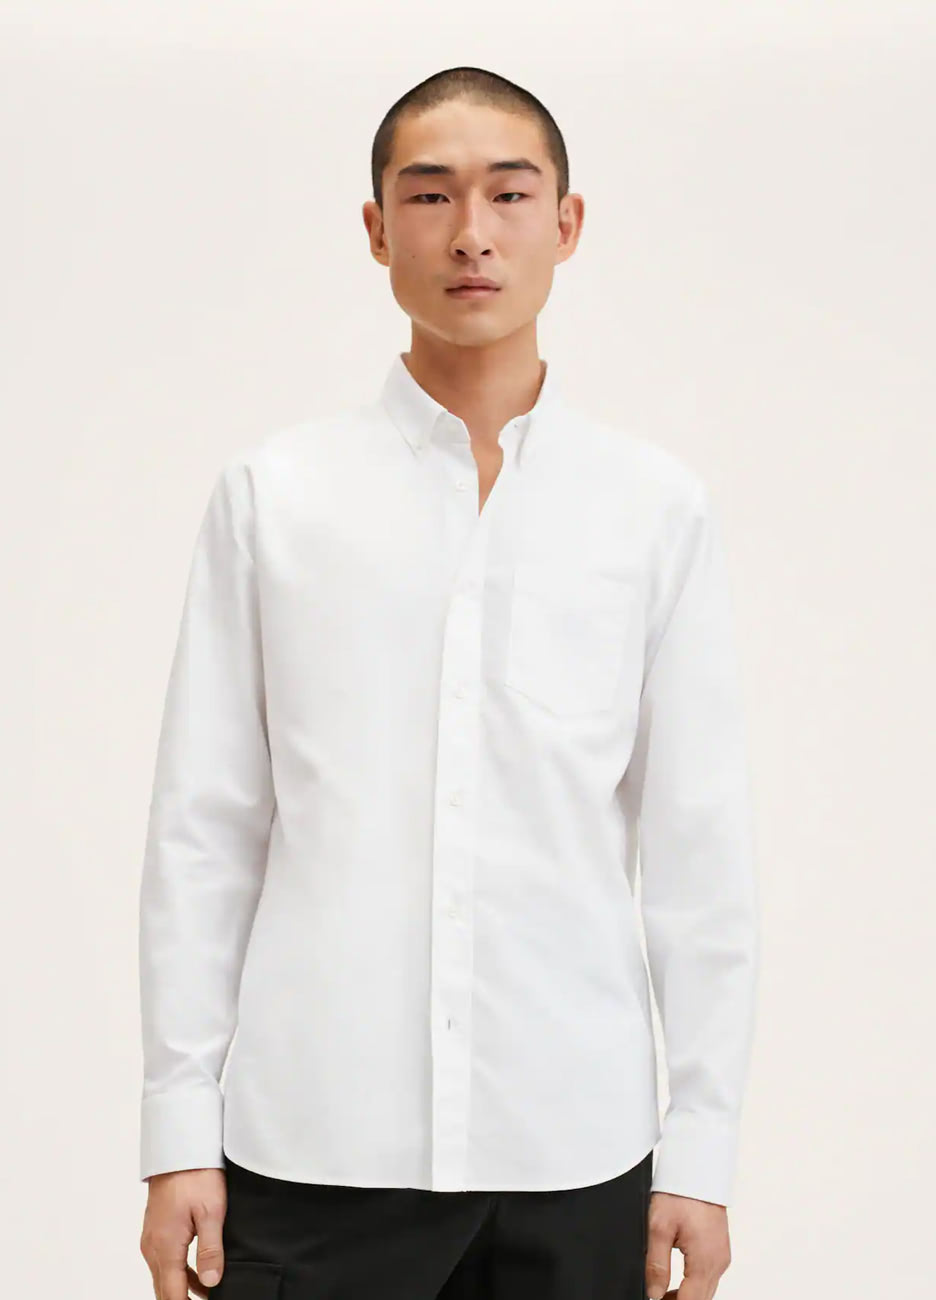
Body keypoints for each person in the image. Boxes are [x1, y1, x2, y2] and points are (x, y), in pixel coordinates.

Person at [137, 64, 760, 1300]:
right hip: (312, 1148)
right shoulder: (275, 498)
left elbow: (699, 850)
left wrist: (700, 1149)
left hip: (577, 1148)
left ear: (565, 224)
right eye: (429, 195)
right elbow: (205, 831)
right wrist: (176, 1128)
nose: (471, 232)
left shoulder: (651, 511)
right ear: (377, 230)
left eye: (508, 194)